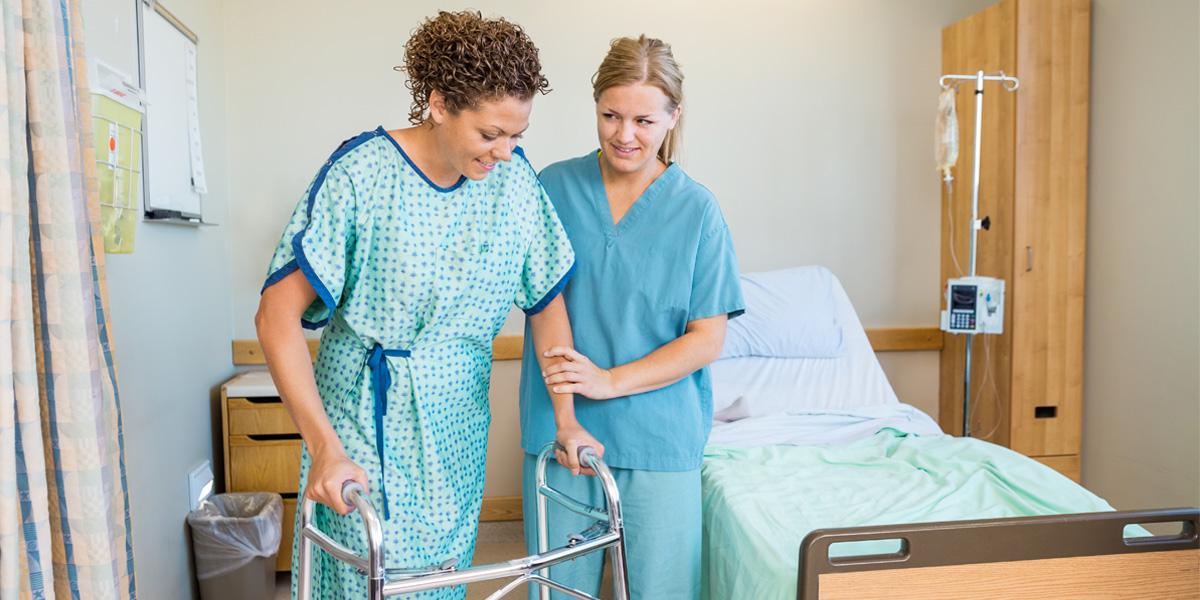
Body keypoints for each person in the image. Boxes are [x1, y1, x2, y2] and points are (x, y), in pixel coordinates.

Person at [256, 11, 593, 599]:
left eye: (518, 135)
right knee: (369, 576)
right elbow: (275, 316)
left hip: (457, 419)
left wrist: (567, 418)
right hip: (363, 413)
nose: (506, 152)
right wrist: (325, 450)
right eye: (490, 134)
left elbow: (546, 301)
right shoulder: (362, 174)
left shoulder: (514, 185)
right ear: (438, 104)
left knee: (441, 579)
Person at [518, 35, 745, 599]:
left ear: (673, 117)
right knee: (556, 591)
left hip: (659, 437)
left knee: (660, 590)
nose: (624, 134)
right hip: (560, 427)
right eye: (610, 115)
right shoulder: (552, 188)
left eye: (643, 120)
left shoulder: (696, 210)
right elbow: (540, 304)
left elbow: (706, 339)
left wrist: (610, 380)